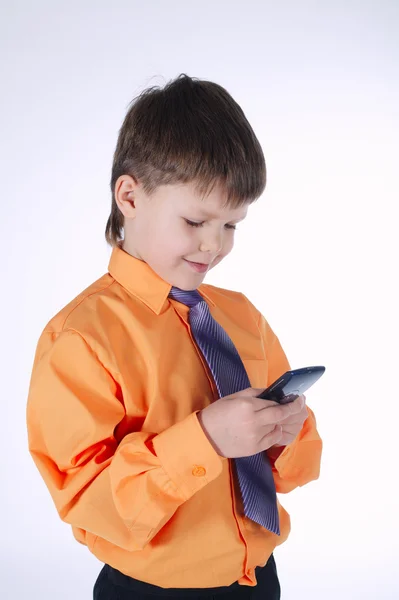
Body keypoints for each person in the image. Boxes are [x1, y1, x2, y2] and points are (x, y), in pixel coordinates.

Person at [26, 74, 322, 600]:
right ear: (130, 196)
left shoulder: (242, 316)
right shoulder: (81, 338)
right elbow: (88, 498)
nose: (215, 245)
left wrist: (285, 431)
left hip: (259, 577)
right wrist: (204, 440)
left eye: (232, 225)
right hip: (151, 590)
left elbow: (290, 472)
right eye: (195, 220)